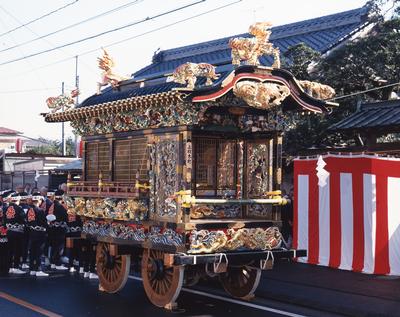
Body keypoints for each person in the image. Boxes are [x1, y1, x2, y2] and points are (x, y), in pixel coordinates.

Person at [27, 193, 49, 277]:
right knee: (39, 252)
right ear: (39, 201)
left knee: (32, 251)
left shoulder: (30, 209)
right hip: (39, 233)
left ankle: (32, 269)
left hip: (31, 233)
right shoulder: (40, 211)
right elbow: (44, 223)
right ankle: (38, 269)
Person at [4, 193, 26, 274]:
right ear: (17, 200)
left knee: (10, 250)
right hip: (18, 231)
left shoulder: (6, 208)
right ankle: (16, 267)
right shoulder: (19, 209)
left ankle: (10, 267)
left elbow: (4, 220)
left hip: (9, 231)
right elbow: (24, 219)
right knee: (17, 250)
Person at [47, 189, 68, 270]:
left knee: (54, 246)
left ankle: (53, 262)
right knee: (59, 247)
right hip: (59, 228)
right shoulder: (60, 206)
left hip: (52, 228)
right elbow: (65, 217)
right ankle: (57, 263)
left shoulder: (52, 205)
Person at [66, 208, 82, 273]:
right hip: (78, 234)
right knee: (80, 251)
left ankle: (71, 266)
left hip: (70, 234)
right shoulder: (78, 213)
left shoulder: (68, 213)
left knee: (71, 251)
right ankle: (81, 267)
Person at [18, 192, 30, 270]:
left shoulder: (16, 207)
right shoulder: (28, 208)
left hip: (17, 229)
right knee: (25, 246)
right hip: (26, 229)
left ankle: (17, 262)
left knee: (17, 246)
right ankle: (24, 262)